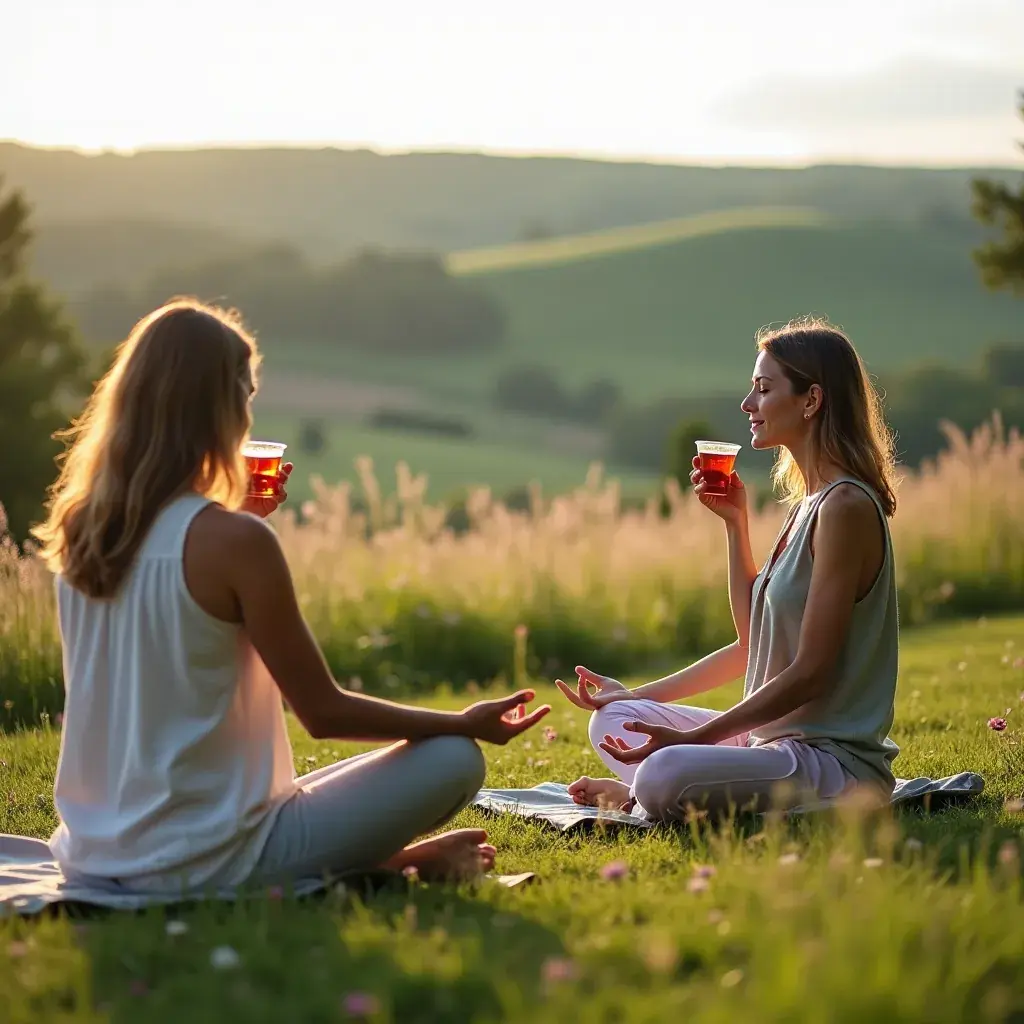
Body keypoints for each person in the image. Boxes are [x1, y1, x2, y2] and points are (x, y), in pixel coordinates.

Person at [33, 298, 549, 896]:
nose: (249, 416)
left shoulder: (82, 535)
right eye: (246, 396)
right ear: (220, 404)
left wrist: (229, 519)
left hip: (95, 853)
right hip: (208, 860)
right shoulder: (237, 541)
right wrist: (461, 721)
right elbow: (322, 712)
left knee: (336, 781)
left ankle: (387, 864)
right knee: (454, 758)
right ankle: (390, 867)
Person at [556, 317, 900, 821]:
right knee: (613, 719)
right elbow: (750, 645)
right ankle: (658, 789)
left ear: (812, 400)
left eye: (763, 389)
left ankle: (639, 794)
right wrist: (736, 525)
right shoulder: (809, 503)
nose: (747, 405)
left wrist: (694, 739)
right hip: (772, 744)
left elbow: (812, 673)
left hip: (831, 763)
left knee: (660, 773)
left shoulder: (845, 507)